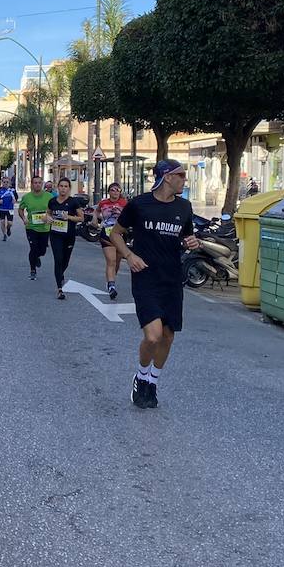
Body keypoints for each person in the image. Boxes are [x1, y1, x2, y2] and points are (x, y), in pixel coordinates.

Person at [111, 159, 200, 409]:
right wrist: (129, 256)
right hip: (146, 277)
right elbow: (115, 233)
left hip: (172, 278)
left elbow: (186, 237)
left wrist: (192, 243)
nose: (185, 179)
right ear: (167, 177)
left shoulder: (184, 207)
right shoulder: (140, 204)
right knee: (153, 337)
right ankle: (140, 376)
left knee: (168, 336)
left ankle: (153, 381)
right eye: (181, 175)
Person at [46, 177, 84, 300]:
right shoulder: (52, 201)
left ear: (69, 188)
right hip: (55, 234)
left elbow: (81, 218)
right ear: (58, 187)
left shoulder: (73, 202)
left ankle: (60, 274)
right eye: (61, 186)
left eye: (65, 186)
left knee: (65, 261)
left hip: (69, 235)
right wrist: (48, 218)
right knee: (58, 259)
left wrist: (69, 217)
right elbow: (48, 214)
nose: (63, 188)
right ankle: (59, 289)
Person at [95, 182, 128, 300]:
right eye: (112, 190)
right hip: (107, 234)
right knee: (111, 260)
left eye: (117, 190)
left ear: (120, 192)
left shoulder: (125, 204)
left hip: (120, 234)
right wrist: (95, 219)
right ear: (109, 192)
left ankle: (112, 278)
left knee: (117, 261)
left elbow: (130, 218)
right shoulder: (104, 203)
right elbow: (96, 211)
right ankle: (111, 286)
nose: (115, 192)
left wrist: (121, 214)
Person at [18, 175, 54, 280]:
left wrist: (50, 217)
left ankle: (38, 256)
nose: (37, 185)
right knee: (33, 248)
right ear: (32, 184)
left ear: (42, 184)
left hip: (45, 228)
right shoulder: (26, 197)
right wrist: (24, 218)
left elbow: (54, 209)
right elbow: (20, 210)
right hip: (31, 227)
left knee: (42, 250)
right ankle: (32, 270)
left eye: (39, 183)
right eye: (35, 183)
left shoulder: (49, 197)